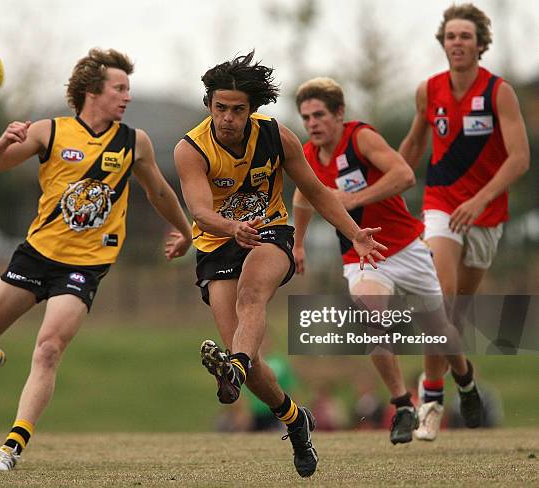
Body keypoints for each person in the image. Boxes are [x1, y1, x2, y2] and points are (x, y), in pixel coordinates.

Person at [0, 48, 193, 470]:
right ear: (92, 91)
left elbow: (160, 192)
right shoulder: (49, 132)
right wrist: (3, 140)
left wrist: (186, 232)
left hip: (86, 265)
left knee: (48, 349)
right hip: (36, 255)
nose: (127, 96)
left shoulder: (135, 142)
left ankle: (10, 448)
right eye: (120, 88)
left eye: (128, 88)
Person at [174, 51, 386, 478]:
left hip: (270, 234)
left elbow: (318, 191)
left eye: (237, 110)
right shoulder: (190, 148)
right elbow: (199, 212)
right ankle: (294, 418)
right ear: (209, 106)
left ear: (252, 111)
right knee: (249, 365)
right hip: (217, 243)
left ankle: (233, 364)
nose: (228, 118)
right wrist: (232, 227)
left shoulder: (277, 137)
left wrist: (354, 232)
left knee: (251, 297)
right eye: (221, 108)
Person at [291, 77, 482, 445]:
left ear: (339, 114)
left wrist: (354, 198)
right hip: (360, 254)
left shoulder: (360, 137)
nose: (312, 123)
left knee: (439, 330)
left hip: (407, 247)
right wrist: (298, 244)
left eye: (319, 115)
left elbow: (404, 175)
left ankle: (465, 379)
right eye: (306, 117)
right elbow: (302, 197)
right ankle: (402, 406)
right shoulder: (309, 156)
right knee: (371, 323)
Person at [399, 3, 530, 440]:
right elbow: (414, 146)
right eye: (451, 36)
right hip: (440, 205)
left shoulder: (499, 92)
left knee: (454, 311)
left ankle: (466, 380)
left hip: (486, 214)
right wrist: (388, 189)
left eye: (465, 36)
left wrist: (481, 199)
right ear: (443, 42)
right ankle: (432, 397)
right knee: (437, 298)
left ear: (479, 44)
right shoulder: (429, 91)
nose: (457, 43)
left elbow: (519, 158)